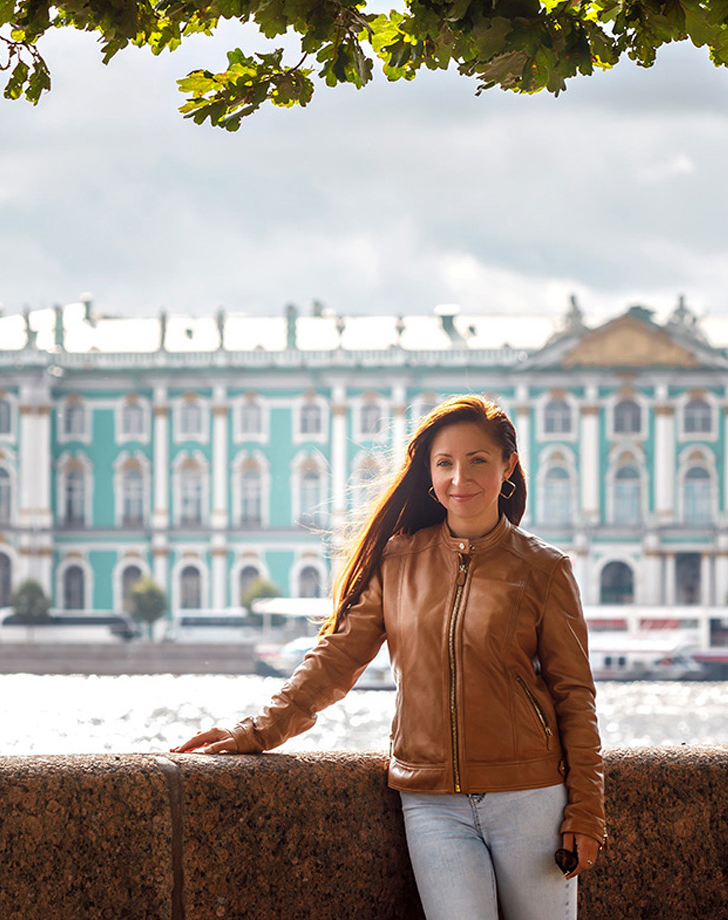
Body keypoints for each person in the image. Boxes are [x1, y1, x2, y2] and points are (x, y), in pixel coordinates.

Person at [173, 394, 606, 920]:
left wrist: (585, 810)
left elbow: (574, 696)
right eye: (444, 462)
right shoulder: (399, 560)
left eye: (478, 460)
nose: (459, 477)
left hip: (530, 795)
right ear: (427, 470)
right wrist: (257, 731)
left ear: (507, 465)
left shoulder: (544, 569)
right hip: (430, 801)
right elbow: (336, 659)